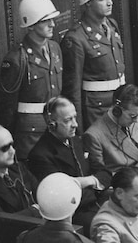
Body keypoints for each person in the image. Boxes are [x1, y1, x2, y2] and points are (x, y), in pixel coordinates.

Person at [0, 0, 63, 159]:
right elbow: (5, 106)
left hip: (56, 126)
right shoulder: (16, 58)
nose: (52, 24)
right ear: (31, 24)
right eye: (45, 21)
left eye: (52, 19)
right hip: (30, 134)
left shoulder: (55, 48)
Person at [62, 0, 125, 130]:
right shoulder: (76, 38)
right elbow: (73, 91)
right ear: (88, 2)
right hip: (97, 112)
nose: (110, 2)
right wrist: (79, 131)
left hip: (121, 104)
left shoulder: (112, 26)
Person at [27, 96, 103, 227]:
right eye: (68, 120)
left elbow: (104, 172)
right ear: (52, 125)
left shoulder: (77, 140)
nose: (75, 124)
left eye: (75, 117)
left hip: (96, 203)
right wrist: (95, 182)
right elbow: (64, 197)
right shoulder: (40, 155)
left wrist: (88, 181)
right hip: (74, 216)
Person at [83, 84, 138, 186]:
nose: (136, 121)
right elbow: (102, 177)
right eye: (132, 116)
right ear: (117, 111)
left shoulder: (131, 118)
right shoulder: (94, 136)